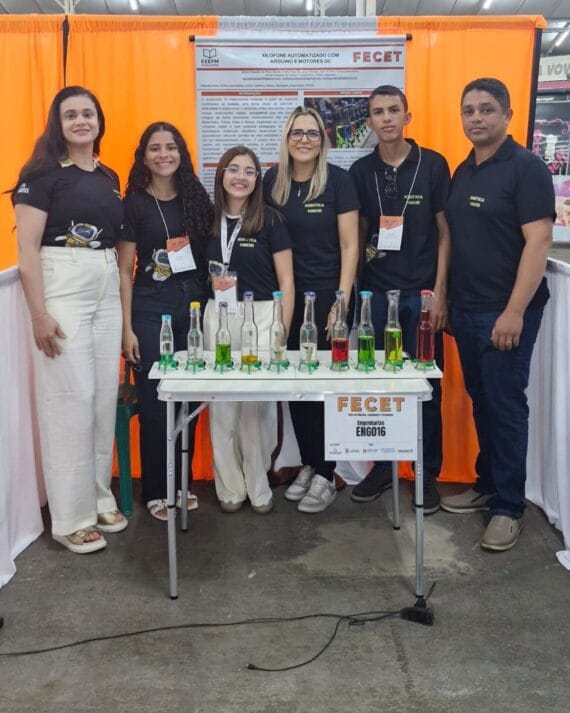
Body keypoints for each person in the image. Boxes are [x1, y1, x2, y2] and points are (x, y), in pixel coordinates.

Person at [12, 85, 127, 554]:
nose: (81, 121)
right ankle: (70, 518)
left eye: (88, 113)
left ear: (99, 121)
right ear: (57, 125)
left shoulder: (108, 175)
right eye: (71, 115)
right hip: (64, 282)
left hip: (105, 278)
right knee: (69, 400)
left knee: (100, 398)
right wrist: (39, 314)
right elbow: (27, 251)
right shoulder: (40, 174)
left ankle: (97, 497)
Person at [441, 78, 554, 551]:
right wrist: (447, 299)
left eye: (487, 109)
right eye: (468, 110)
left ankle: (508, 507)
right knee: (482, 399)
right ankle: (488, 484)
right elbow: (455, 238)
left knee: (506, 406)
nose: (476, 118)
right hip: (466, 309)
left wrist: (514, 311)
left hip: (505, 312)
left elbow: (539, 240)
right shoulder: (463, 170)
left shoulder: (526, 168)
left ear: (507, 114)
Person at [348, 85, 451, 515]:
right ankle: (384, 467)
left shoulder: (433, 164)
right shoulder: (360, 171)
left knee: (425, 387)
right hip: (376, 296)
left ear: (407, 116)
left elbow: (446, 233)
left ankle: (426, 471)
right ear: (370, 122)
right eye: (378, 112)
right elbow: (356, 238)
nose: (386, 118)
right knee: (379, 386)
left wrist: (440, 293)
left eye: (394, 110)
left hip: (422, 296)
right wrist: (355, 301)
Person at [264, 106, 359, 513]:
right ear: (287, 139)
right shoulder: (272, 181)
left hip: (326, 299)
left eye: (312, 133)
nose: (304, 140)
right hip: (285, 299)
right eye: (297, 133)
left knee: (322, 387)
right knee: (296, 387)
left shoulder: (338, 181)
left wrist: (341, 302)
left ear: (323, 140)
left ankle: (326, 472)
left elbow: (350, 246)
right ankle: (309, 462)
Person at [118, 122, 213, 521]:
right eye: (155, 148)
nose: (163, 155)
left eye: (170, 147)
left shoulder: (196, 197)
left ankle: (182, 484)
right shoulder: (135, 205)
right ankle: (157, 490)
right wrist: (126, 328)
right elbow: (124, 271)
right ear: (144, 156)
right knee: (157, 403)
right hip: (148, 310)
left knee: (187, 399)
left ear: (181, 153)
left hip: (193, 309)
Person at [203, 145, 294, 513]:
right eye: (233, 169)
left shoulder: (271, 221)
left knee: (258, 409)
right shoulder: (207, 220)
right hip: (219, 315)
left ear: (258, 179)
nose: (240, 177)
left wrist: (283, 326)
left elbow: (287, 282)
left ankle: (259, 485)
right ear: (221, 174)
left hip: (263, 315)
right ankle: (230, 487)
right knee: (223, 406)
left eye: (249, 171)